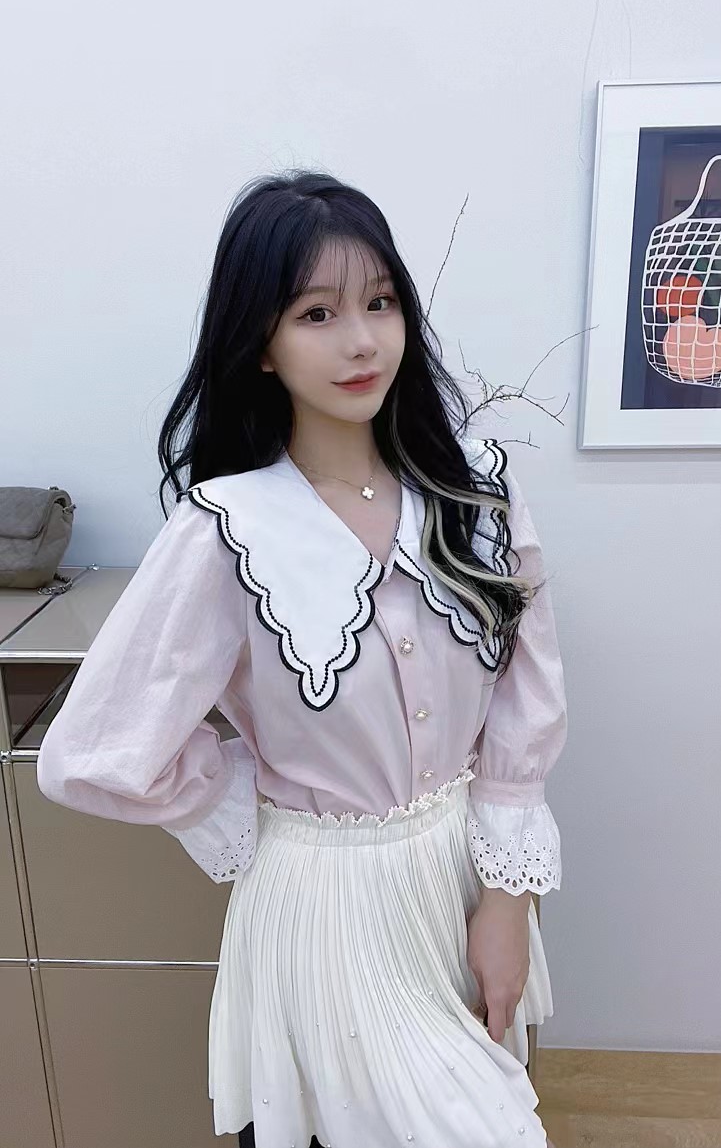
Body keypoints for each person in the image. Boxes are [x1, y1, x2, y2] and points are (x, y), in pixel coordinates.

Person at [36, 170, 567, 1148]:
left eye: (380, 302)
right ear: (262, 343)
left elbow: (523, 705)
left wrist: (506, 899)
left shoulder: (476, 494)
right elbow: (93, 752)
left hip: (465, 880)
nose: (361, 340)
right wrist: (252, 792)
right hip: (321, 916)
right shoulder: (226, 532)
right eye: (316, 313)